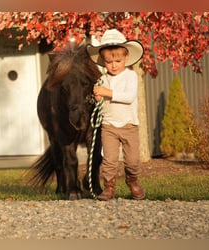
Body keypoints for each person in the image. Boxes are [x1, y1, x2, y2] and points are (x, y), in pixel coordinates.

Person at [86, 29, 145, 201]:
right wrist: (98, 97)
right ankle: (109, 187)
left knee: (132, 160)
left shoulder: (131, 76)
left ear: (126, 58)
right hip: (109, 126)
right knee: (109, 159)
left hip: (129, 125)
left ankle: (132, 179)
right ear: (104, 62)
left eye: (118, 61)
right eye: (109, 61)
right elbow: (102, 104)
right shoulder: (103, 79)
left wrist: (107, 92)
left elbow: (128, 97)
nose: (113, 65)